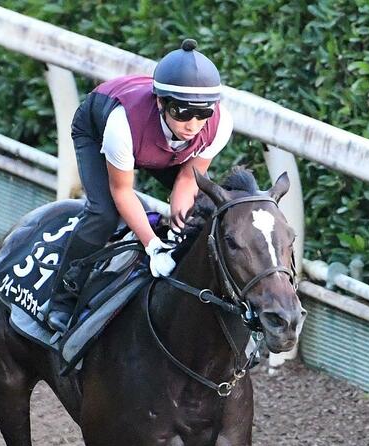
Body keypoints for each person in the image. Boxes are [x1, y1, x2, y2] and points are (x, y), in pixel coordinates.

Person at [46, 38, 234, 333]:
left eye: (203, 113)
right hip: (98, 130)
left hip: (163, 150)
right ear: (161, 102)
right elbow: (122, 191)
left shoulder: (220, 125)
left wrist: (177, 229)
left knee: (202, 210)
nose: (193, 124)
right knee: (103, 214)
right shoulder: (121, 126)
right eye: (183, 112)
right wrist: (153, 245)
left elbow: (188, 179)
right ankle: (61, 298)